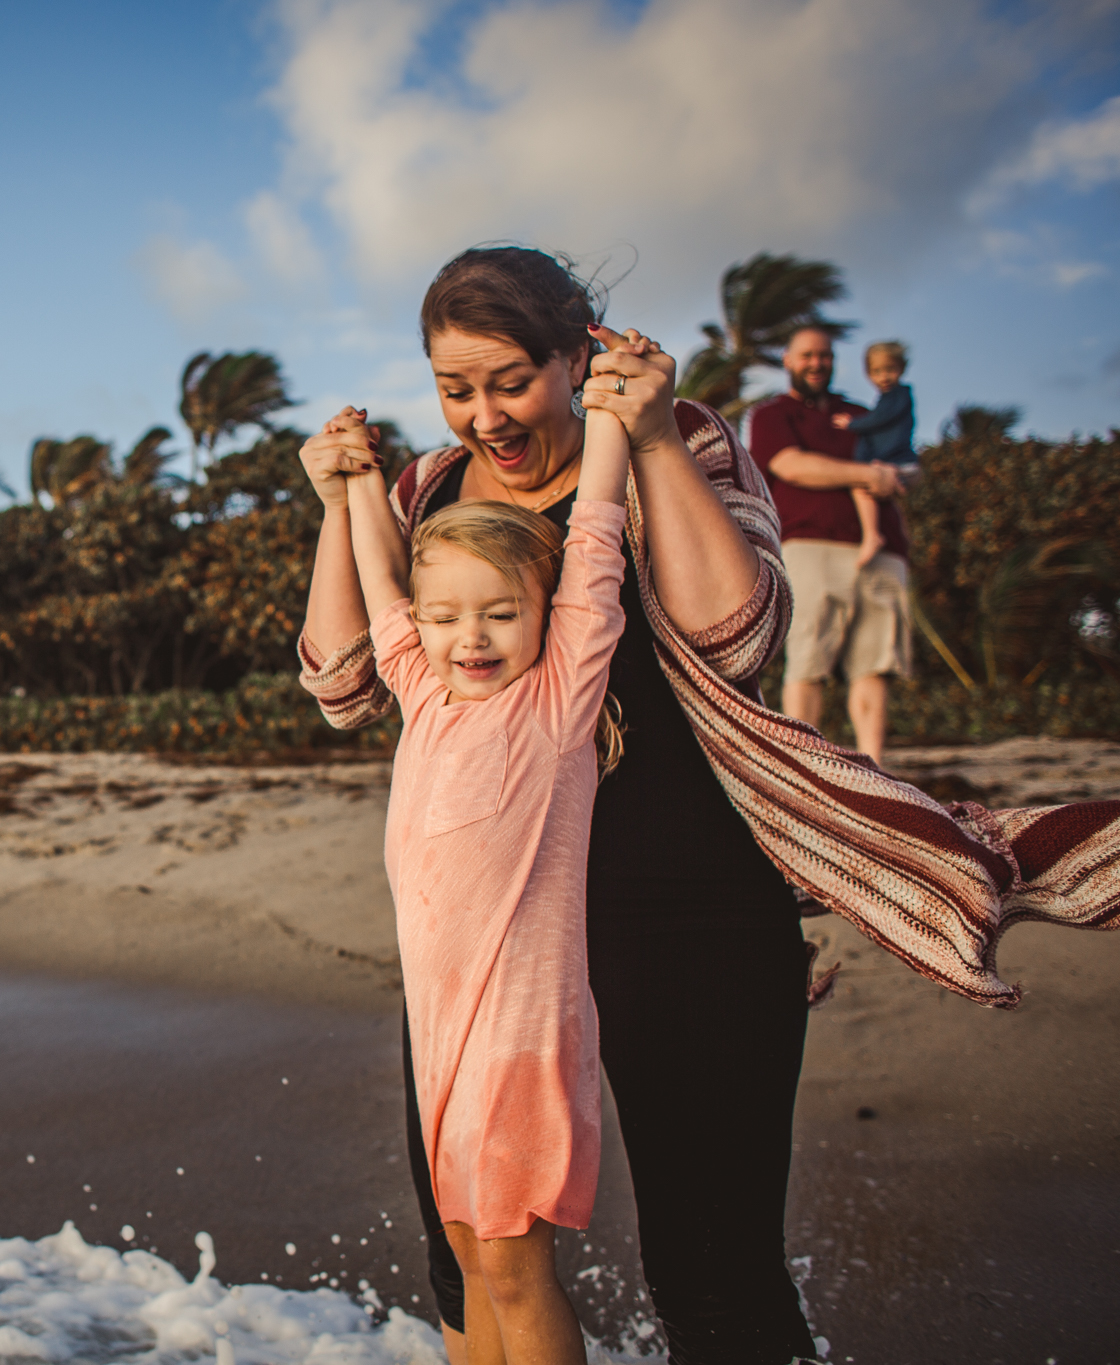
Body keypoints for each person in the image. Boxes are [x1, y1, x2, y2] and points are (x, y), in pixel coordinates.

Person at [298, 247, 820, 1364]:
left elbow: (736, 642)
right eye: (452, 388)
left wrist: (649, 440)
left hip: (686, 906)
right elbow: (345, 684)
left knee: (711, 1273)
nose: (482, 417)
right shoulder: (424, 493)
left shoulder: (680, 445)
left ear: (576, 356)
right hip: (486, 938)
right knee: (472, 1253)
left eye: (507, 382)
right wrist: (338, 502)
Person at [334, 385, 632, 1363]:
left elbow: (591, 548)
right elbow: (382, 590)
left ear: (543, 615)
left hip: (515, 1037)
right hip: (440, 1035)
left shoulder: (553, 711)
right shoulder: (423, 695)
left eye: (499, 615)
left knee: (511, 1267)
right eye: (447, 616)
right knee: (465, 1257)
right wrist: (354, 485)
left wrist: (616, 423)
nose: (469, 638)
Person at [746, 327, 911, 764]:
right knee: (807, 659)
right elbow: (789, 465)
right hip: (810, 547)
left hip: (884, 551)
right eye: (807, 355)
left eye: (825, 356)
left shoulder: (860, 413)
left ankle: (875, 766)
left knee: (876, 664)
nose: (817, 363)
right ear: (788, 359)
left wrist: (903, 475)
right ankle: (806, 767)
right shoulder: (771, 414)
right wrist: (868, 476)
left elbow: (904, 459)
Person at [832, 341, 917, 569]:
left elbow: (879, 420)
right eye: (878, 371)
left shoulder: (898, 397)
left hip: (900, 462)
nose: (884, 376)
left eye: (890, 370)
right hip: (894, 462)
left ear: (901, 369)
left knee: (861, 487)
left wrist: (852, 424)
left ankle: (872, 535)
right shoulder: (886, 400)